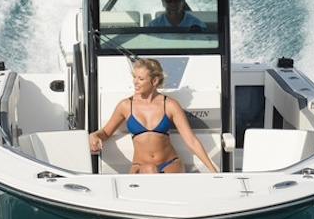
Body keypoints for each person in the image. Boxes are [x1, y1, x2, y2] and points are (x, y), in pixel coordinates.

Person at [88, 58, 218, 174]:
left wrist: (213, 171)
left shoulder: (170, 105)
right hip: (140, 167)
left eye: (141, 79)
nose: (135, 82)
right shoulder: (126, 105)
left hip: (170, 164)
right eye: (134, 77)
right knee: (150, 169)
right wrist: (94, 135)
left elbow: (191, 140)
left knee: (155, 174)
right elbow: (105, 132)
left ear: (155, 81)